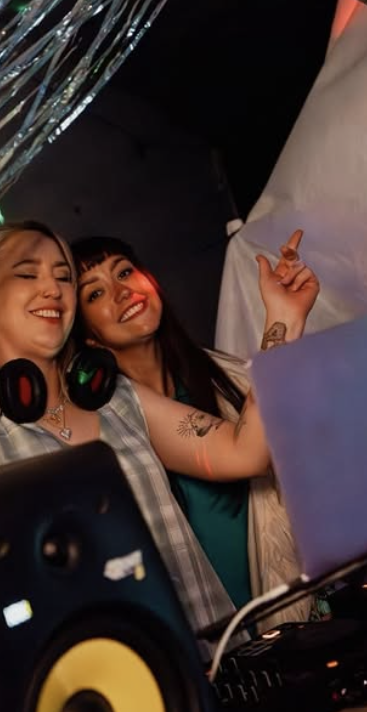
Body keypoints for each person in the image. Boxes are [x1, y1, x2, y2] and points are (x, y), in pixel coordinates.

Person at [0, 218, 306, 643]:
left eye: (63, 276)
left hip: (219, 673)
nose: (53, 288)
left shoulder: (119, 399)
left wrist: (282, 321)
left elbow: (245, 452)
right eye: (27, 274)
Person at [71, 231, 322, 621]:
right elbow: (248, 453)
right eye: (95, 293)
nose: (121, 291)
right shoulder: (115, 421)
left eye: (124, 272)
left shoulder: (229, 377)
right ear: (86, 335)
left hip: (298, 625)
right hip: (223, 656)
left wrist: (286, 314)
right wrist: (282, 319)